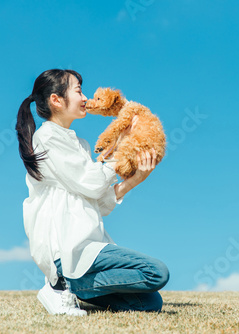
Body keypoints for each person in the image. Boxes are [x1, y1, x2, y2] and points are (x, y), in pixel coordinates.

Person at [16, 69, 169, 316]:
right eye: (78, 91)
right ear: (56, 99)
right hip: (68, 249)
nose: (85, 97)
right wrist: (123, 145)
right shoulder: (46, 138)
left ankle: (72, 288)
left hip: (89, 245)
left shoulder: (80, 144)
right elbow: (92, 182)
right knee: (156, 272)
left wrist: (136, 178)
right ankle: (61, 283)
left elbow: (99, 202)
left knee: (149, 303)